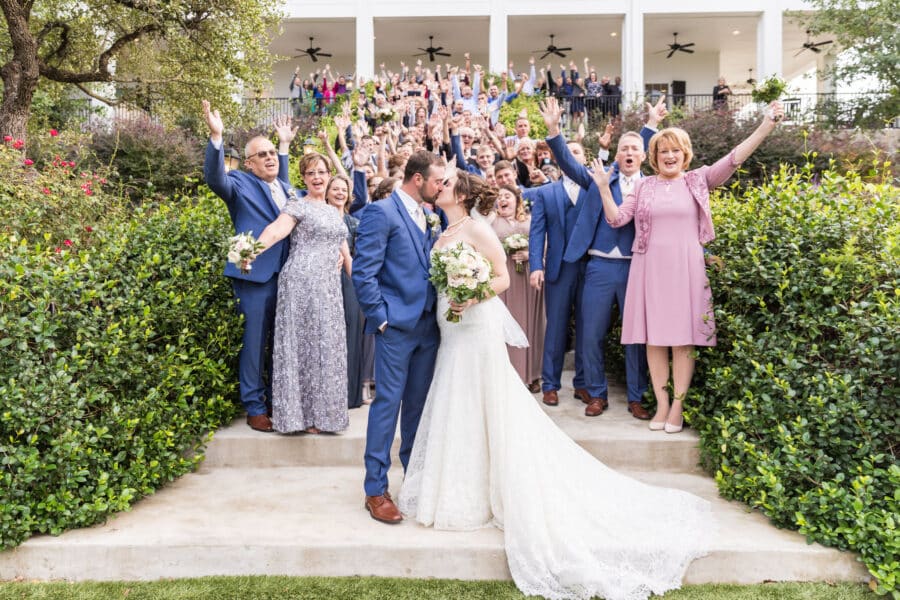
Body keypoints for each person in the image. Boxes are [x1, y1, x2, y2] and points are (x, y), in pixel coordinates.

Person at [397, 169, 712, 600]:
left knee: (482, 399)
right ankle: (456, 490)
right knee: (456, 401)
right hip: (450, 328)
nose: (440, 187)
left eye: (447, 184)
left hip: (475, 323)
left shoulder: (476, 228)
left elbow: (502, 278)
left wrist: (472, 293)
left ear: (464, 195)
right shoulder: (444, 229)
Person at [590, 101, 785, 433]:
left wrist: (767, 124)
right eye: (663, 151)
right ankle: (661, 405)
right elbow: (616, 218)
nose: (669, 155)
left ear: (685, 154)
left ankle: (678, 406)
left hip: (686, 269)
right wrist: (604, 189)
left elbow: (736, 157)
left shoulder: (698, 180)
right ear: (653, 157)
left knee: (682, 341)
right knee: (654, 341)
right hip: (649, 269)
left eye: (675, 150)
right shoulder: (643, 186)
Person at [546, 95, 660, 419]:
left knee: (635, 335)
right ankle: (596, 394)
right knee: (591, 333)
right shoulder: (600, 178)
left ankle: (637, 396)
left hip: (635, 267)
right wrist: (554, 131)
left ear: (643, 156)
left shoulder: (651, 186)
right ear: (618, 154)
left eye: (634, 149)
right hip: (598, 266)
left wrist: (650, 127)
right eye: (623, 148)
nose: (628, 153)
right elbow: (568, 163)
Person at [352, 151, 445, 524]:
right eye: (438, 180)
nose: (443, 187)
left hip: (428, 327)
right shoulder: (382, 212)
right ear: (418, 179)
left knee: (418, 409)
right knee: (387, 405)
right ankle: (375, 489)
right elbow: (364, 273)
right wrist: (382, 319)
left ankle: (413, 480)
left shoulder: (429, 215)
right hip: (396, 327)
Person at [201, 100, 295, 433]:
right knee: (254, 342)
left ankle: (276, 399)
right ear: (250, 163)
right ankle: (254, 407)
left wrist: (283, 148)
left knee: (281, 342)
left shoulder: (286, 187)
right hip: (253, 276)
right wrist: (217, 137)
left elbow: (279, 199)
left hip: (287, 276)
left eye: (273, 153)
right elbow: (215, 179)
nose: (270, 158)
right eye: (263, 155)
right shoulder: (239, 184)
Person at [244, 158, 353, 435]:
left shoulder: (334, 212)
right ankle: (299, 418)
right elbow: (276, 231)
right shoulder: (297, 205)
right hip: (301, 283)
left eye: (321, 172)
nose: (317, 177)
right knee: (302, 346)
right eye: (310, 172)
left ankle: (324, 416)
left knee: (326, 346)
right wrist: (252, 251)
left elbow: (345, 253)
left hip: (328, 288)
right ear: (303, 178)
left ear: (329, 175)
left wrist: (365, 287)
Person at [492, 184, 544, 392]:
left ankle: (532, 374)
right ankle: (509, 374)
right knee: (507, 324)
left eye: (507, 196)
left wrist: (528, 254)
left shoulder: (529, 220)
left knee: (530, 324)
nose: (502, 200)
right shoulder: (492, 222)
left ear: (516, 200)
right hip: (505, 278)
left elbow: (542, 243)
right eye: (499, 196)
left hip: (527, 279)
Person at [326, 175, 366, 409]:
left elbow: (360, 256)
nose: (340, 193)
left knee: (351, 333)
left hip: (349, 280)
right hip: (324, 278)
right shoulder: (317, 215)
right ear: (328, 192)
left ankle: (349, 394)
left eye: (344, 190)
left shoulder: (354, 223)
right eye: (336, 189)